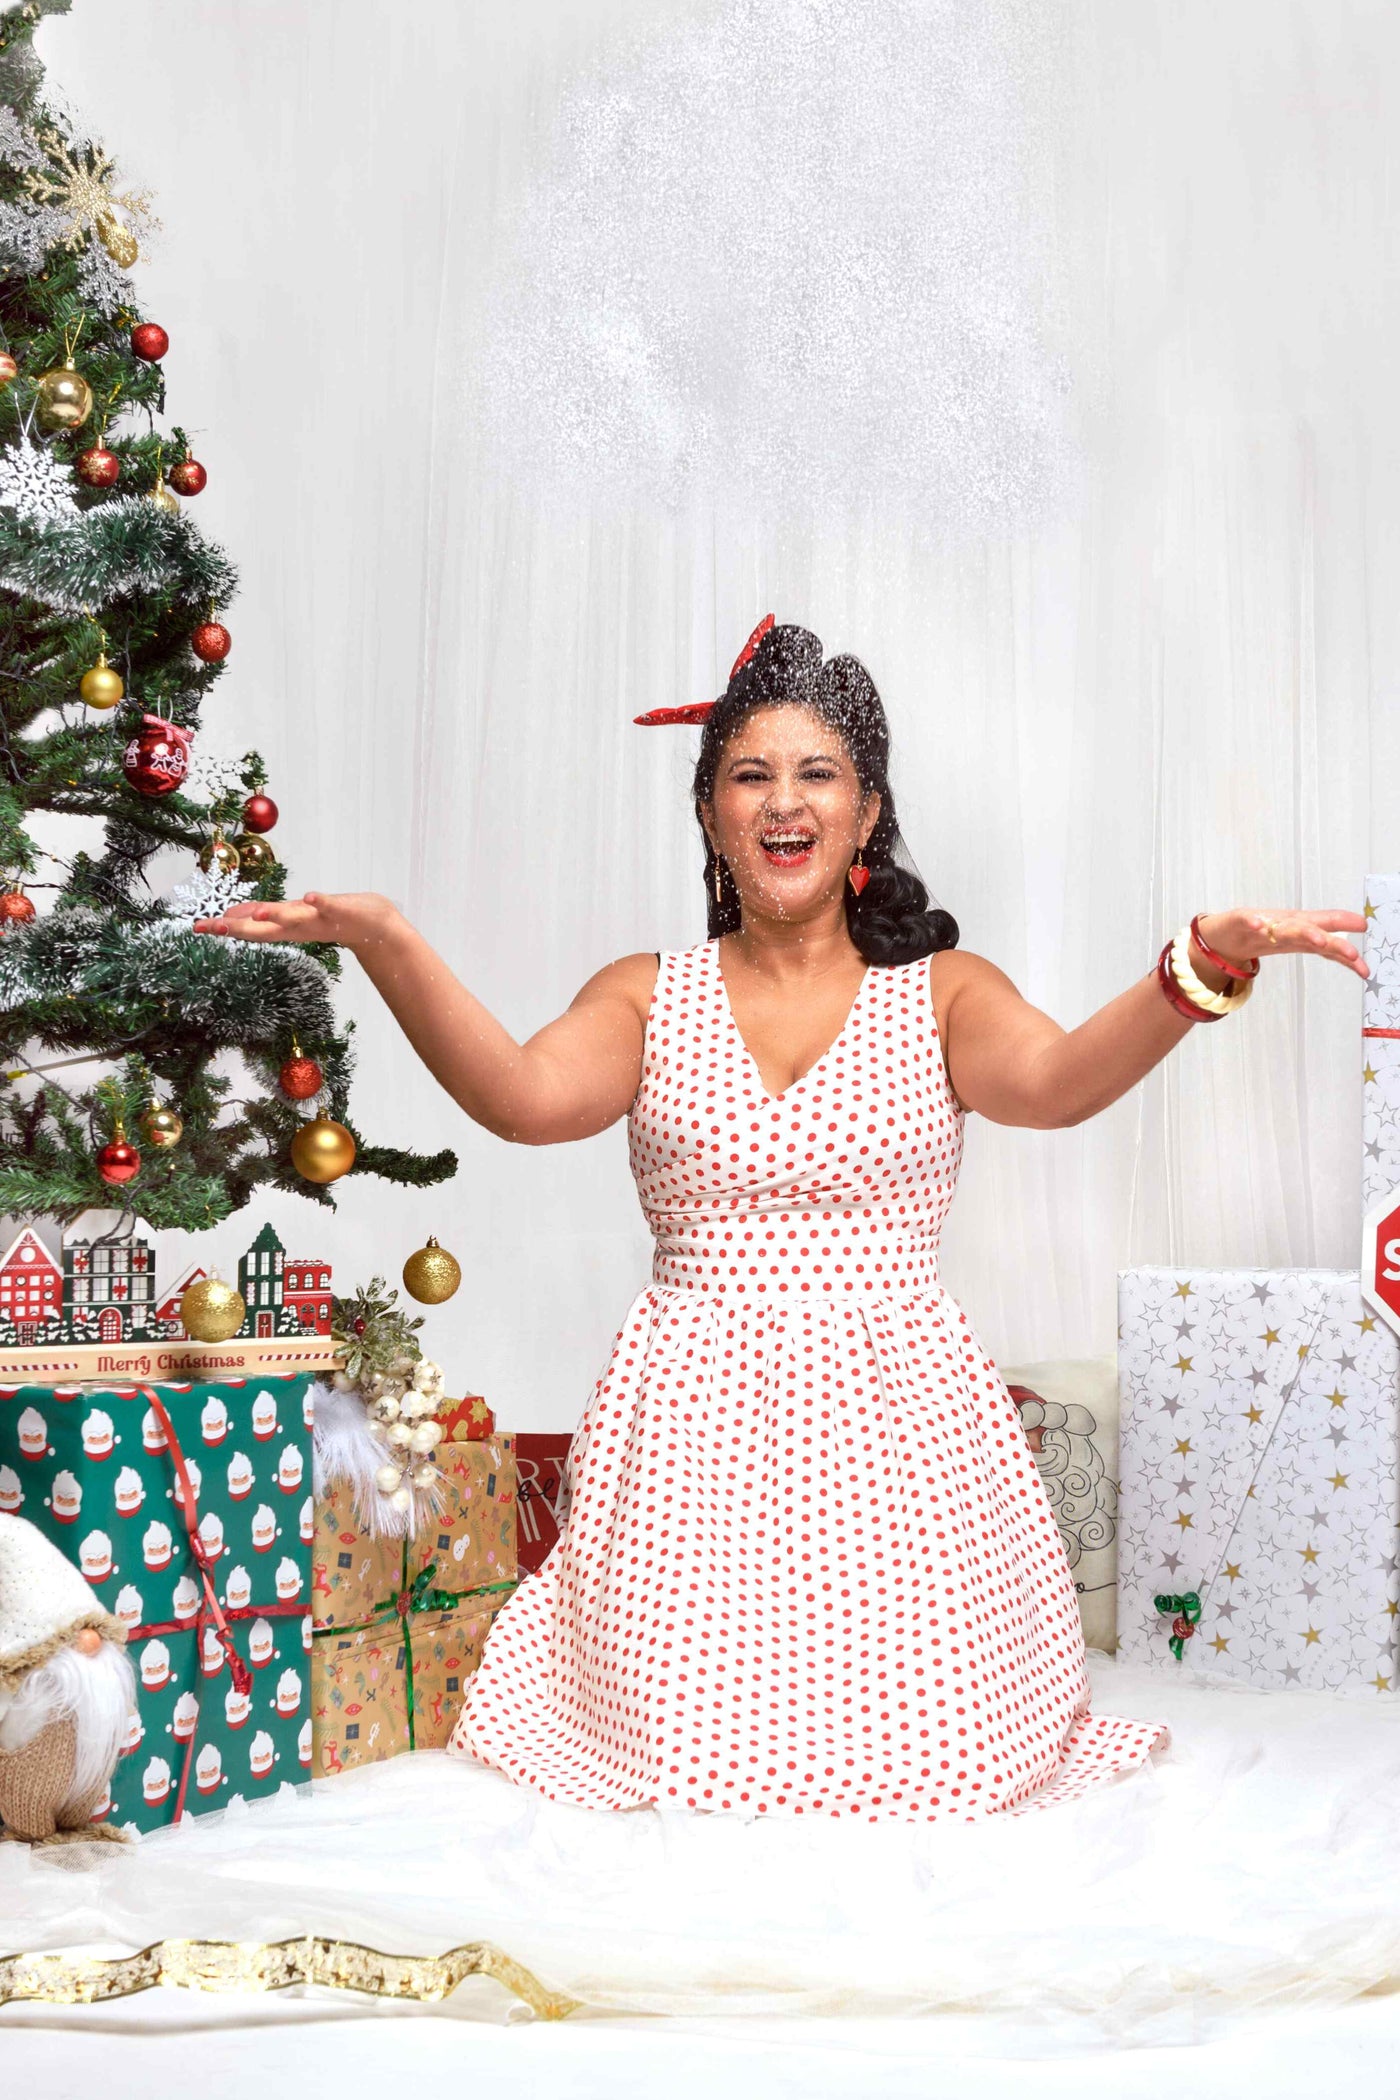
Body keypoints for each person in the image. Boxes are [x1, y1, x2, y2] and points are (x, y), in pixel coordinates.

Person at [195, 617, 1369, 1823]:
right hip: (691, 1447)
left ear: (865, 813)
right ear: (709, 814)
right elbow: (521, 1102)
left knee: (939, 1774)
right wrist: (387, 940)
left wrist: (1199, 968)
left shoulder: (941, 992)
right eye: (748, 774)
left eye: (817, 774)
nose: (781, 801)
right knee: (687, 1779)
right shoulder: (646, 993)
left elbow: (1059, 1083)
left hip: (902, 1449)